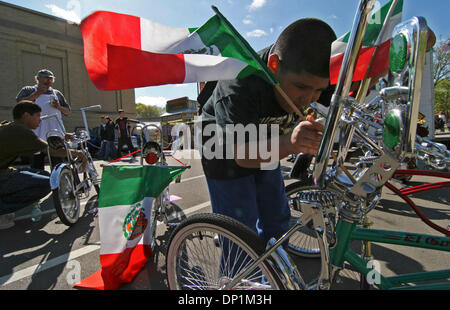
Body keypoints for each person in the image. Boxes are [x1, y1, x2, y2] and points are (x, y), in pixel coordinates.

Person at [198, 18, 335, 243]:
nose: (308, 98)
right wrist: (290, 143)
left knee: (278, 220)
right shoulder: (238, 82)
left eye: (318, 90)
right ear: (273, 65)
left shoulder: (314, 74)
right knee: (241, 234)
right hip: (224, 149)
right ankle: (239, 277)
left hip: (268, 141)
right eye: (301, 87)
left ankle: (274, 273)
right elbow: (243, 155)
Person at [0, 101, 87, 229]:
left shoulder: (9, 127)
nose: (40, 120)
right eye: (38, 116)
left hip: (4, 171)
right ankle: (3, 211)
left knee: (44, 174)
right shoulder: (20, 130)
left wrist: (63, 136)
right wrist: (79, 154)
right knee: (48, 183)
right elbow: (52, 150)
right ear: (26, 115)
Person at [16, 69, 71, 170]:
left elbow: (67, 111)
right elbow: (20, 103)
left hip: (54, 133)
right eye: (45, 78)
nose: (48, 81)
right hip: (36, 132)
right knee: (37, 164)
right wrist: (37, 94)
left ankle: (58, 184)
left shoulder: (57, 93)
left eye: (50, 79)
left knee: (58, 164)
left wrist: (58, 107)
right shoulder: (28, 90)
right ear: (37, 78)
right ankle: (40, 184)